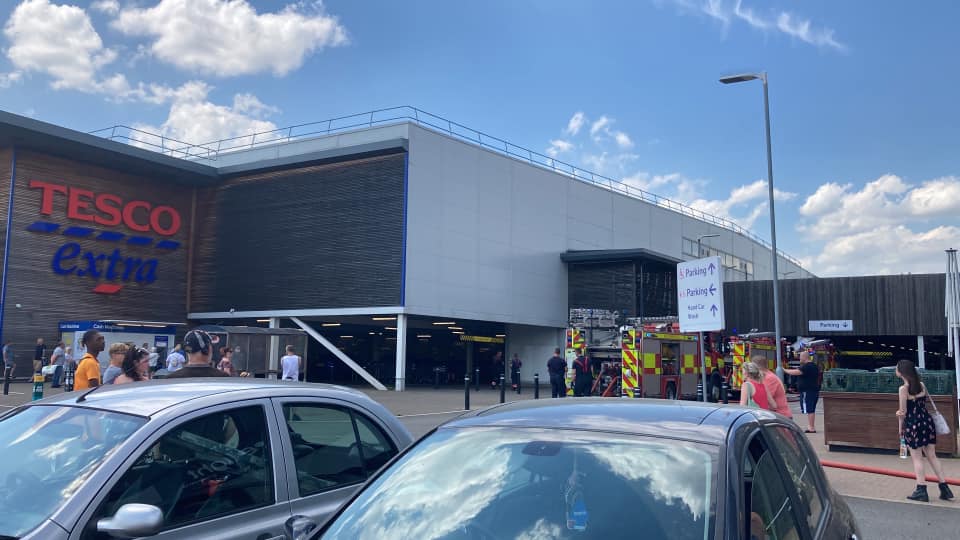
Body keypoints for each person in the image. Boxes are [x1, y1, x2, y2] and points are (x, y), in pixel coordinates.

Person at [895, 359, 954, 502]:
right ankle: (944, 488)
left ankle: (921, 489)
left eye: (896, 368)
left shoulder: (903, 389)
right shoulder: (921, 385)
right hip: (927, 422)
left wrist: (900, 427)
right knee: (932, 456)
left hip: (913, 424)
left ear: (901, 372)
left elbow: (903, 412)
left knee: (917, 458)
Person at [784, 351, 819, 433]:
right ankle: (811, 426)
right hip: (813, 390)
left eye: (800, 357)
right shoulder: (813, 366)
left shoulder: (806, 366)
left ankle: (811, 427)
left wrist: (784, 370)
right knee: (811, 409)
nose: (799, 359)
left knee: (809, 409)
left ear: (804, 357)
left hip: (807, 391)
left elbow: (796, 372)